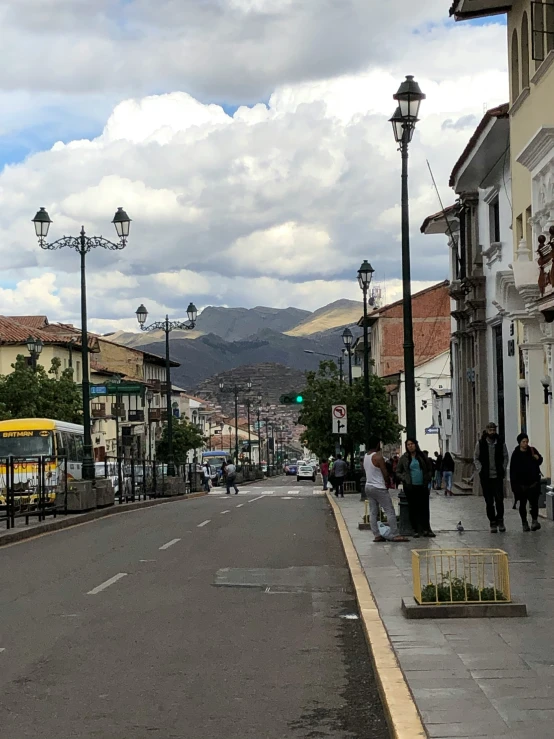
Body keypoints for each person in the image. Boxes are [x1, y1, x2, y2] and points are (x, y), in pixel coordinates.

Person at [363, 437, 409, 542]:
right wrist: (388, 481)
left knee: (373, 511)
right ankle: (395, 534)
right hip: (379, 487)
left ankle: (376, 534)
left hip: (368, 486)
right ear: (377, 445)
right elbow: (385, 473)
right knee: (389, 510)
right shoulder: (378, 457)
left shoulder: (366, 456)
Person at [474, 422, 509, 533]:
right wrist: (480, 469)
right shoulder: (480, 443)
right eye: (490, 430)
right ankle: (492, 522)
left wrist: (503, 468)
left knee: (499, 500)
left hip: (497, 476)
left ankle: (500, 520)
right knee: (489, 501)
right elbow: (476, 458)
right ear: (487, 431)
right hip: (486, 477)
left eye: (494, 430)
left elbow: (505, 456)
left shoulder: (500, 443)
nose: (492, 432)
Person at [396, 439, 435, 538]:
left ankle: (426, 529)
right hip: (410, 487)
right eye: (408, 444)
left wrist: (428, 477)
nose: (410, 446)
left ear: (415, 445)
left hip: (422, 485)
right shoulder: (404, 458)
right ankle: (416, 529)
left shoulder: (422, 456)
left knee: (424, 508)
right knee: (413, 508)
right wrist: (404, 479)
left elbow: (430, 469)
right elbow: (398, 471)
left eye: (412, 444)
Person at [510, 433, 543, 532]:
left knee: (534, 504)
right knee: (523, 504)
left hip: (533, 483)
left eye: (526, 441)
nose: (525, 444)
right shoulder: (516, 454)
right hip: (521, 485)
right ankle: (524, 522)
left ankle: (534, 521)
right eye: (523, 442)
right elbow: (513, 471)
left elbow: (540, 460)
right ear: (519, 443)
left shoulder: (532, 450)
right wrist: (514, 486)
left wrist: (538, 458)